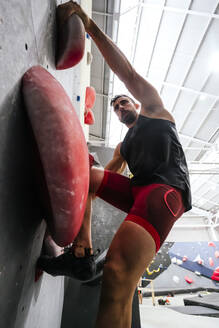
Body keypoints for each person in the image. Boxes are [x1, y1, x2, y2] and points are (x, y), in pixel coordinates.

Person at [38, 2, 192, 328]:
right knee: (87, 178)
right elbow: (106, 178)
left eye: (124, 102)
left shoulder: (155, 111)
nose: (121, 107)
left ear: (135, 103)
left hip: (164, 191)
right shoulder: (125, 146)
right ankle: (82, 251)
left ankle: (85, 254)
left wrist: (89, 26)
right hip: (139, 190)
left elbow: (128, 73)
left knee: (118, 273)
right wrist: (85, 169)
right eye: (117, 107)